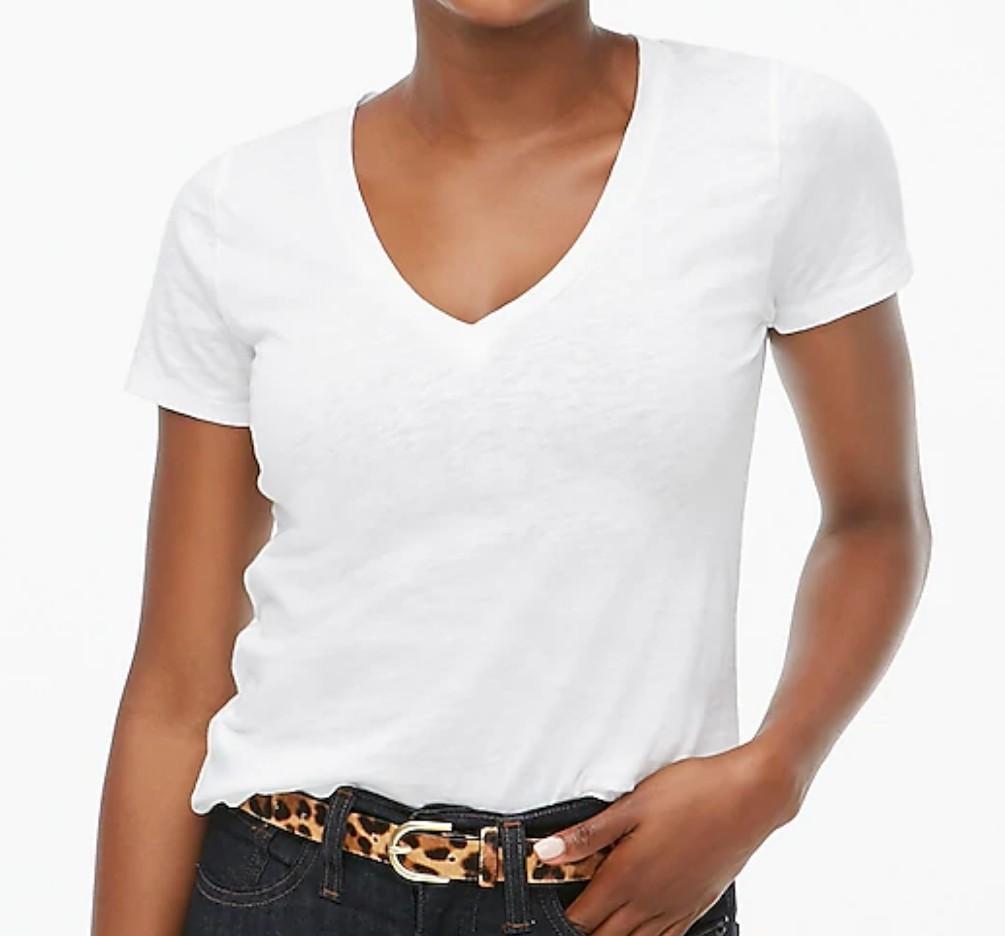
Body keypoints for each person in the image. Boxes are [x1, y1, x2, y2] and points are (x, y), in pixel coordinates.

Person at [92, 2, 931, 935]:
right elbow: (176, 688)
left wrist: (776, 770)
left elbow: (874, 517)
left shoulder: (779, 138)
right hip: (284, 884)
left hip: (622, 895)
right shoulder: (240, 209)